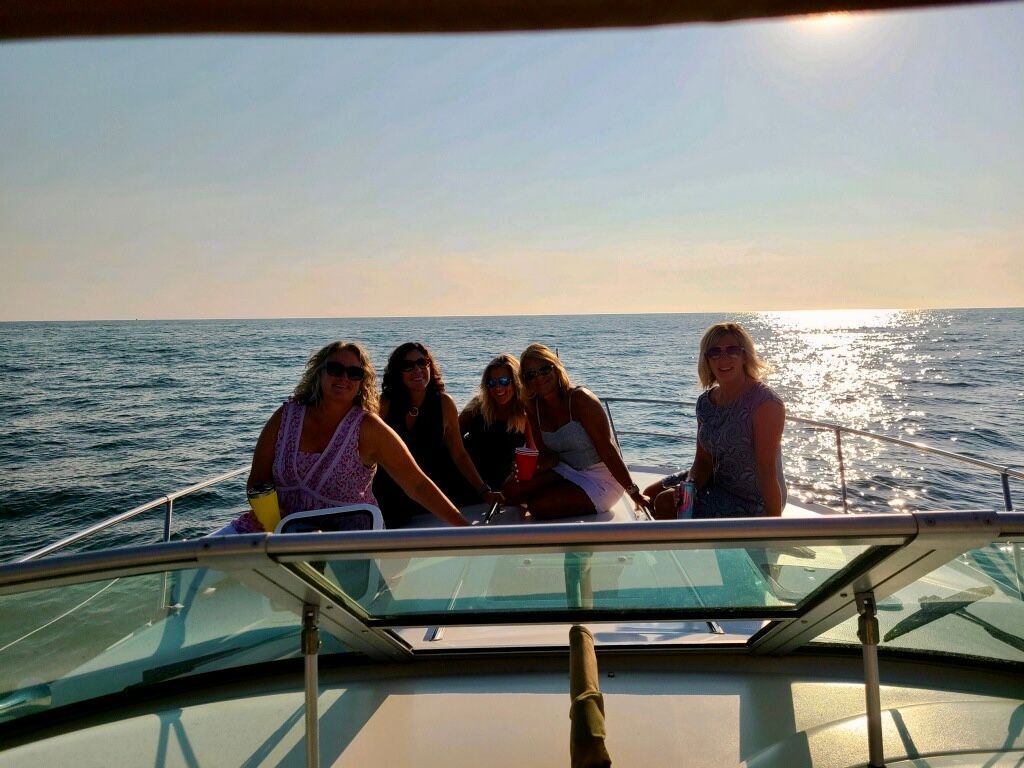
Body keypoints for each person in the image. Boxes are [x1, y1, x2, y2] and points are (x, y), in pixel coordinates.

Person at [231, 341, 469, 532]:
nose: (344, 378)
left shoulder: (368, 427)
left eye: (354, 373)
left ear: (362, 382)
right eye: (335, 369)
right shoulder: (285, 417)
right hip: (277, 532)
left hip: (345, 541)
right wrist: (275, 525)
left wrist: (465, 530)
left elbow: (417, 484)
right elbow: (258, 481)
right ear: (319, 373)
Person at [647, 322, 787, 519]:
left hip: (752, 498)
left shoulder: (765, 403)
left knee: (665, 502)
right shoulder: (705, 403)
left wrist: (773, 525)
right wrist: (690, 486)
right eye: (715, 352)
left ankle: (688, 536)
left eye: (732, 350)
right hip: (718, 478)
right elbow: (703, 461)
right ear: (706, 359)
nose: (723, 358)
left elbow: (766, 471)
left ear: (744, 355)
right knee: (650, 494)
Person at [504, 343, 652, 519]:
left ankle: (557, 496)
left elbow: (608, 450)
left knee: (538, 506)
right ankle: (557, 494)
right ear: (525, 380)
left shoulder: (581, 399)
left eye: (544, 370)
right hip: (564, 468)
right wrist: (532, 468)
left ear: (556, 368)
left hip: (600, 477)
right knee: (510, 490)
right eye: (531, 374)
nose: (539, 377)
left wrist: (634, 493)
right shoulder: (533, 407)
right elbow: (547, 454)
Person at [372, 342, 503, 527]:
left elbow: (459, 454)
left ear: (430, 366)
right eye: (408, 366)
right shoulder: (384, 405)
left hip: (429, 490)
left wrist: (484, 491)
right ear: (397, 372)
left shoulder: (444, 404)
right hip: (390, 490)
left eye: (422, 362)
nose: (417, 370)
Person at [458, 354, 535, 490]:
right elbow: (453, 438)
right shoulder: (477, 407)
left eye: (504, 381)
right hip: (468, 478)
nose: (498, 388)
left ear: (516, 382)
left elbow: (531, 454)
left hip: (501, 483)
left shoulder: (525, 413)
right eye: (492, 382)